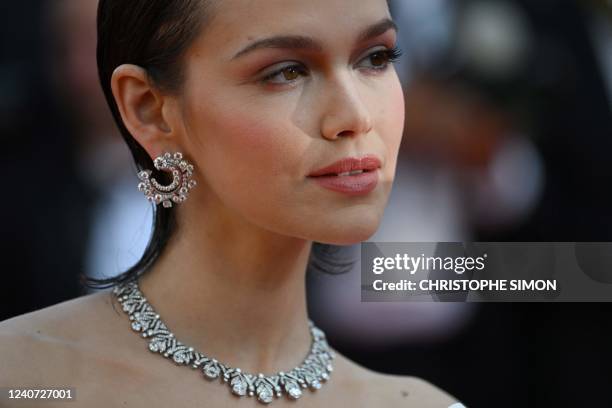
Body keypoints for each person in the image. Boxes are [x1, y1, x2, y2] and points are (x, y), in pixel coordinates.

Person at [0, 0, 466, 406]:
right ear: (149, 108)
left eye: (376, 58)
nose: (356, 115)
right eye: (285, 71)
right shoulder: (22, 380)